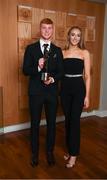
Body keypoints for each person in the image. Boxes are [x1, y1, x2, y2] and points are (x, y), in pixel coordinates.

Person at [23, 18, 64, 167]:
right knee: (34, 124)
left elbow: (61, 72)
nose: (47, 31)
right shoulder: (31, 48)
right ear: (40, 29)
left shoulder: (57, 50)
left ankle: (49, 152)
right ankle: (34, 154)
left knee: (52, 124)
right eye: (44, 28)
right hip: (35, 93)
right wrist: (38, 67)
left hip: (51, 93)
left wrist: (52, 79)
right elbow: (25, 70)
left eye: (49, 28)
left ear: (52, 30)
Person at [60, 26, 91, 168]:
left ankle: (73, 155)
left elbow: (88, 76)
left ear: (81, 38)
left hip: (79, 88)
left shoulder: (84, 52)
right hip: (65, 89)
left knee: (74, 121)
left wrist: (87, 96)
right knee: (67, 120)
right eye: (73, 35)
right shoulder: (62, 52)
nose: (75, 38)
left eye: (78, 35)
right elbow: (57, 72)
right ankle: (69, 149)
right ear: (68, 36)